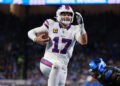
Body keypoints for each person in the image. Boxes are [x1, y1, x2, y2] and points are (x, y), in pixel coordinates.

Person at [28, 5, 88, 86]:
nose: (67, 16)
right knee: (57, 65)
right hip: (47, 63)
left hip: (63, 68)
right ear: (58, 15)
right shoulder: (51, 24)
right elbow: (31, 32)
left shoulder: (76, 29)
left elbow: (83, 41)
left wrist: (81, 26)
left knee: (59, 70)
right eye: (64, 14)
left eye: (69, 14)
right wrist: (35, 39)